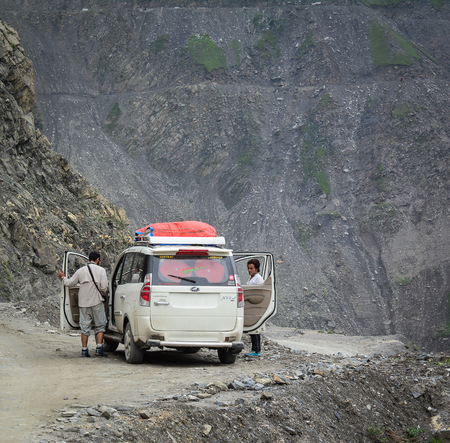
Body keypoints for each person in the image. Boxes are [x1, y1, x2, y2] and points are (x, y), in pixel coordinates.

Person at [57, 251, 109, 357]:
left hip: (83, 304)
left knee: (85, 328)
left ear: (89, 259)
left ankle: (84, 350)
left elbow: (69, 283)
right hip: (96, 302)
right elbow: (104, 288)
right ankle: (99, 348)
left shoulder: (81, 271)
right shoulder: (101, 270)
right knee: (100, 326)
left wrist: (63, 277)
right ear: (98, 259)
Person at [246, 258, 264, 357]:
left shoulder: (258, 278)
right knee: (252, 328)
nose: (249, 270)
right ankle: (254, 349)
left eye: (251, 268)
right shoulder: (251, 278)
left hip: (255, 305)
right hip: (250, 305)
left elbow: (259, 292)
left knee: (255, 328)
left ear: (256, 268)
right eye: (248, 268)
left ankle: (257, 350)